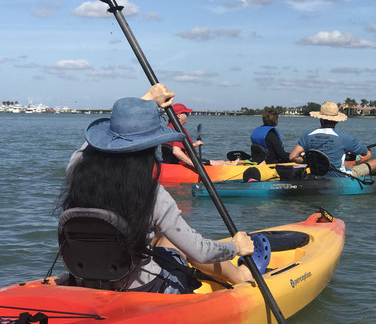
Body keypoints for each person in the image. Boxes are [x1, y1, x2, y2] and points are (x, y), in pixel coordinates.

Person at [61, 84, 254, 293]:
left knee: (162, 238)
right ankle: (242, 276)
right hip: (143, 289)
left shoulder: (76, 172)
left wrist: (146, 100)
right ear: (151, 147)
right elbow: (199, 251)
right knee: (178, 243)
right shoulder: (151, 194)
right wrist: (236, 247)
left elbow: (90, 146)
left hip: (83, 279)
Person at [289, 101, 376, 177]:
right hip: (339, 176)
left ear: (320, 118)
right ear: (336, 121)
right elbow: (365, 153)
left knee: (347, 165)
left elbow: (292, 157)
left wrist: (308, 161)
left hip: (317, 174)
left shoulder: (307, 135)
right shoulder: (344, 138)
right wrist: (364, 150)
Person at [162, 103, 235, 167]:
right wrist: (196, 165)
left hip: (171, 163)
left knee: (220, 162)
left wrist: (194, 144)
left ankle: (232, 164)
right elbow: (176, 151)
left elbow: (176, 146)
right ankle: (233, 167)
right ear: (179, 115)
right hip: (182, 164)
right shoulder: (178, 130)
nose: (188, 115)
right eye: (186, 113)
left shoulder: (168, 128)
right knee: (221, 163)